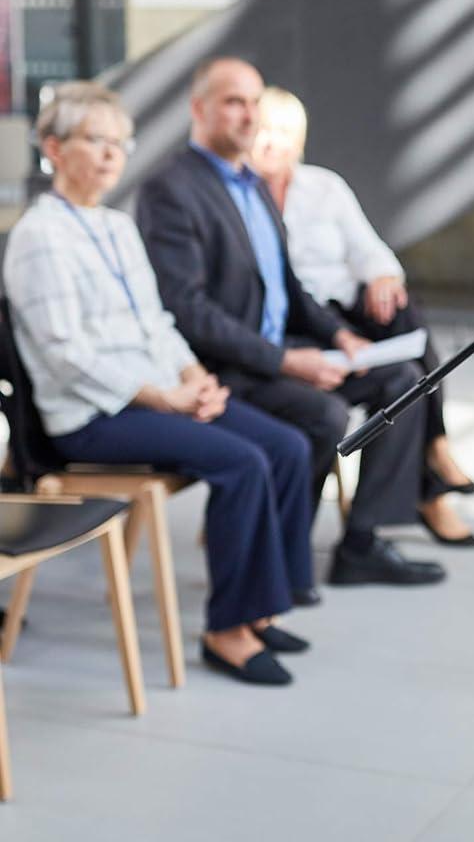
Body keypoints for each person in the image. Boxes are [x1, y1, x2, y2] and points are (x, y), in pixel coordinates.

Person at [3, 81, 313, 686]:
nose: (112, 155)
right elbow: (68, 356)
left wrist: (196, 377)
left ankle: (261, 607)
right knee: (244, 463)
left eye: (120, 143)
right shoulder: (40, 236)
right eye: (96, 140)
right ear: (53, 147)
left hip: (156, 397)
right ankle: (227, 632)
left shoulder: (117, 227)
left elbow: (158, 324)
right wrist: (163, 396)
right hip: (92, 417)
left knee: (288, 447)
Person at [135, 57, 445, 590]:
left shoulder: (248, 186)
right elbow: (187, 310)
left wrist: (337, 335)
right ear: (199, 108)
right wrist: (286, 361)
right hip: (225, 365)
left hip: (281, 346)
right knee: (322, 414)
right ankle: (281, 557)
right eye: (234, 102)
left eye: (254, 103)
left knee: (404, 383)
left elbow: (288, 287)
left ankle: (361, 542)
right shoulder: (174, 188)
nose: (248, 116)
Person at [249, 86, 474, 546]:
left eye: (284, 132)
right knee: (405, 376)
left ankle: (436, 445)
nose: (272, 142)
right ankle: (429, 486)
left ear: (299, 140)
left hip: (346, 307)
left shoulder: (324, 186)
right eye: (263, 130)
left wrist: (382, 278)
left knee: (402, 308)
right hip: (298, 320)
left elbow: (368, 247)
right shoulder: (237, 196)